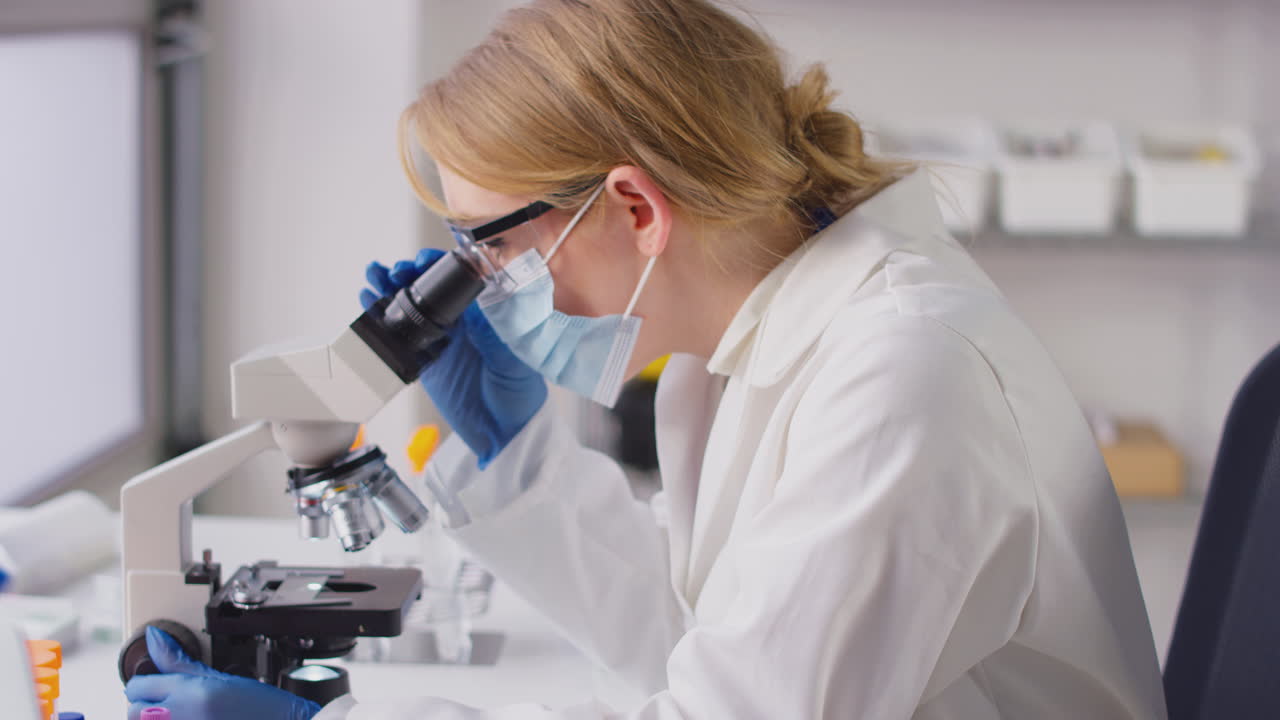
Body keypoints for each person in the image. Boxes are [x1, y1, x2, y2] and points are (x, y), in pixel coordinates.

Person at [126, 0, 1169, 718]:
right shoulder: (735, 351)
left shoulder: (904, 374)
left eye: (492, 245)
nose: (485, 282)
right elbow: (704, 643)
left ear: (633, 207)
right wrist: (512, 459)